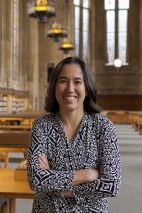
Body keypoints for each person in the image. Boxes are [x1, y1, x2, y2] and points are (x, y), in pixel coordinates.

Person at [27, 56, 122, 212]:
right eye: (63, 81)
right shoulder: (41, 126)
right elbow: (36, 180)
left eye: (77, 81)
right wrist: (88, 174)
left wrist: (57, 183)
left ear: (87, 87)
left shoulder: (104, 127)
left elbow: (112, 184)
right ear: (54, 87)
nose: (70, 89)